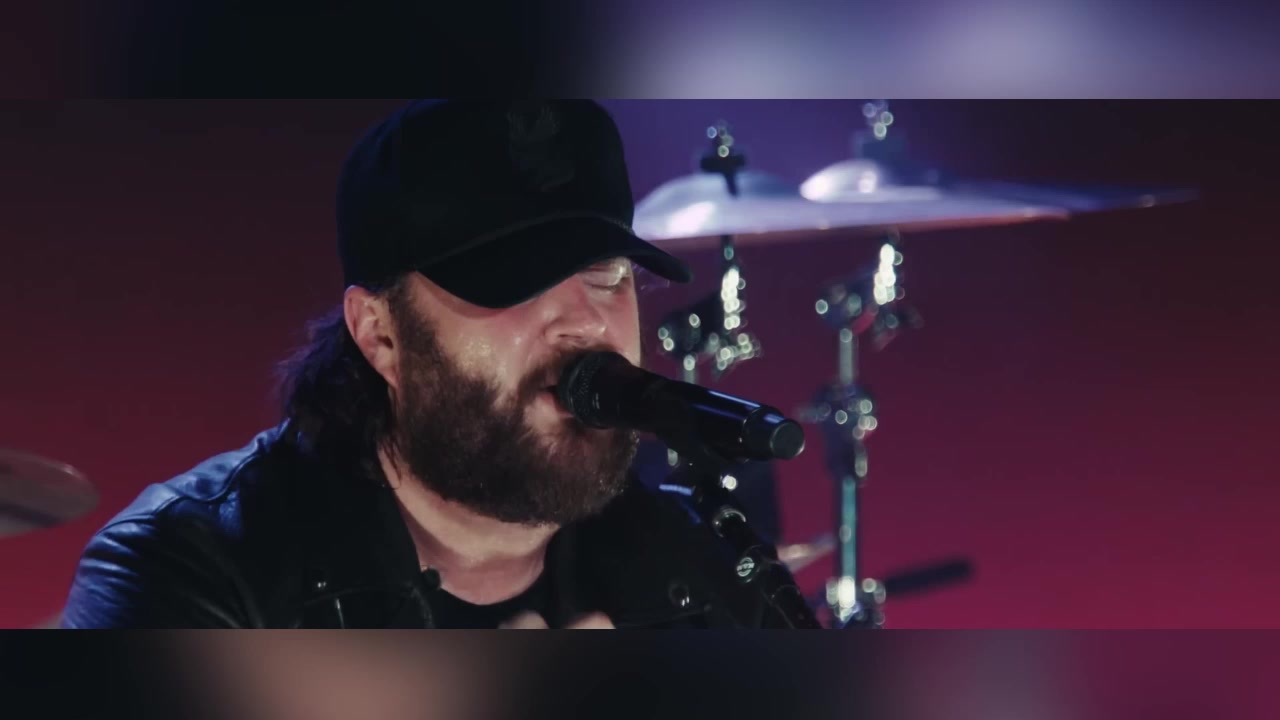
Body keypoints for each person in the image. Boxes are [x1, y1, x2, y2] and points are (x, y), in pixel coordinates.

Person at [61, 100, 789, 628]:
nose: (585, 321)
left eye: (605, 272)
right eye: (517, 280)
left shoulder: (700, 563)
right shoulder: (185, 570)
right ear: (380, 336)